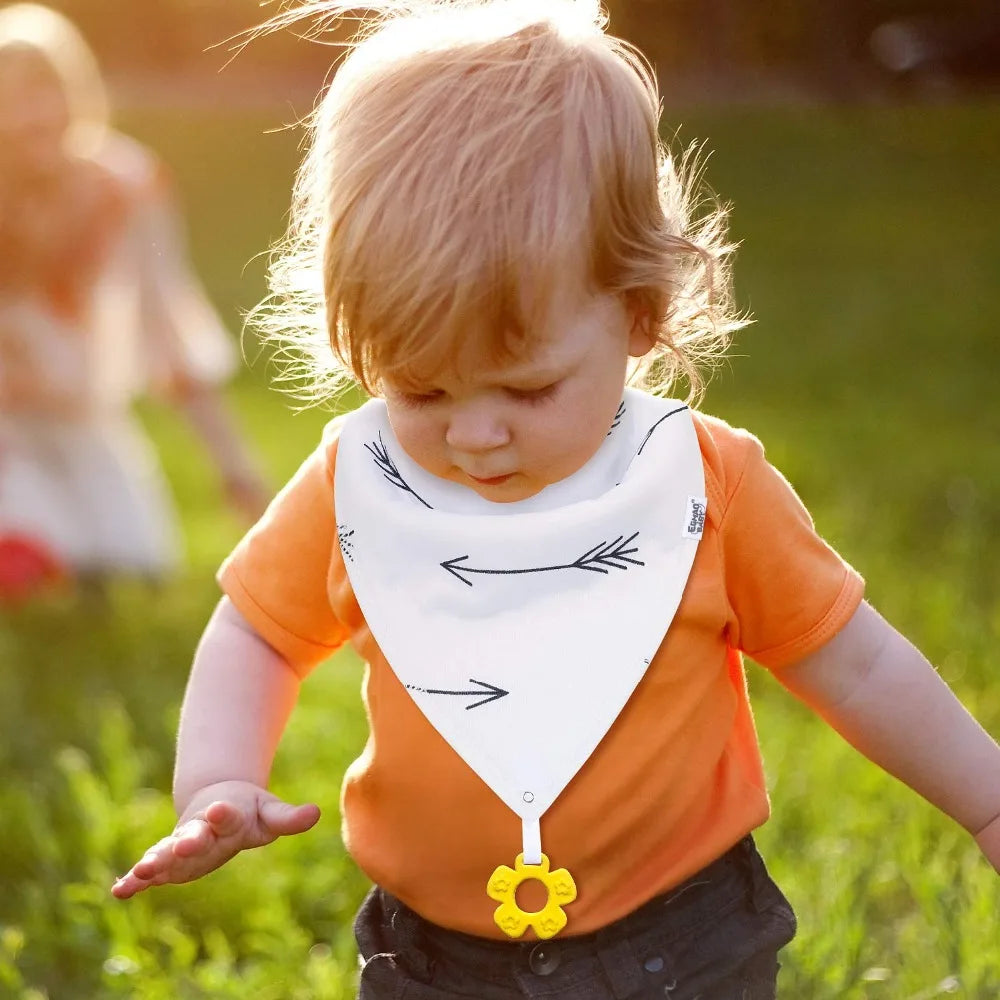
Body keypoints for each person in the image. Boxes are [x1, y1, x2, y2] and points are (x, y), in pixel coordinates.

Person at [110, 1, 1000, 997]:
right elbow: (259, 632)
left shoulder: (703, 483)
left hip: (682, 938)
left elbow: (856, 659)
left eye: (527, 388)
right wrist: (219, 778)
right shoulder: (356, 483)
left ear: (639, 312)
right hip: (432, 955)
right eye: (421, 389)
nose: (474, 434)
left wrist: (986, 801)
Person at [0, 3, 269, 589]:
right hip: (7, 425)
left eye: (47, 91)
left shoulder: (126, 185)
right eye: (13, 98)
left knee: (135, 567)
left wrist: (233, 462)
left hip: (88, 417)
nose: (33, 115)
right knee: (41, 565)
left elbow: (166, 326)